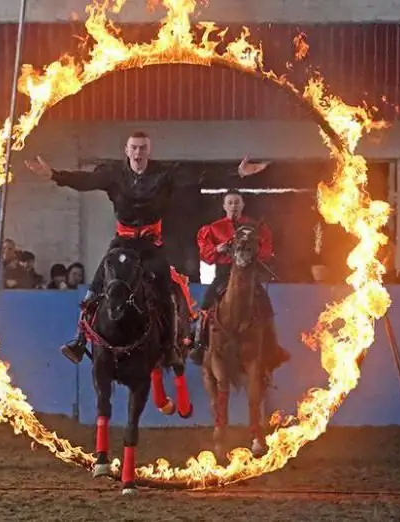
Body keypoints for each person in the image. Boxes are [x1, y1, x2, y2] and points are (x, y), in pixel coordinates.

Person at [25, 131, 270, 365]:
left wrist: (237, 173)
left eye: (142, 148)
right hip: (123, 242)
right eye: (134, 148)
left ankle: (171, 347)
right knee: (98, 283)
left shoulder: (164, 174)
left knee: (166, 290)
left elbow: (201, 177)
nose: (138, 152)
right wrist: (53, 175)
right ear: (127, 150)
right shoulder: (113, 175)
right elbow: (84, 180)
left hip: (151, 244)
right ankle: (79, 340)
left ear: (149, 151)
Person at [191, 188, 287, 370]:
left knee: (265, 305)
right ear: (224, 206)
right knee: (205, 303)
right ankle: (198, 344)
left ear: (243, 204)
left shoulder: (256, 227)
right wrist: (218, 249)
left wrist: (253, 251)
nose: (233, 205)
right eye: (230, 202)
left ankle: (272, 348)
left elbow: (266, 252)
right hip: (223, 274)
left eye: (237, 202)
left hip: (248, 274)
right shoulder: (213, 228)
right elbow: (206, 255)